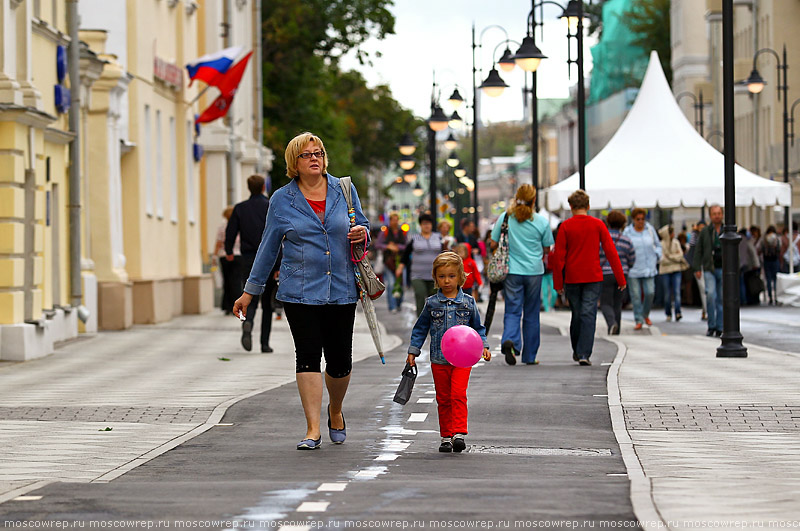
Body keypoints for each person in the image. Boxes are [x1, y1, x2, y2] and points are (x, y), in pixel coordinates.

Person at [233, 132, 370, 450]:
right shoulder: (281, 199)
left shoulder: (344, 190)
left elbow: (362, 229)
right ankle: (312, 428)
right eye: (306, 154)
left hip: (341, 288)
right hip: (298, 291)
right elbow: (267, 249)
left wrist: (362, 233)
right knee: (307, 357)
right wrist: (249, 293)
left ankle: (335, 409)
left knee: (340, 362)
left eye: (319, 152)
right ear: (294, 163)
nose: (314, 158)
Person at [406, 251, 491, 453]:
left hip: (463, 360)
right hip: (439, 359)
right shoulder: (432, 303)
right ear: (435, 277)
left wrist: (484, 345)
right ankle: (446, 436)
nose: (447, 281)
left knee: (458, 394)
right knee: (443, 398)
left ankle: (459, 433)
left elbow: (478, 327)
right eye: (442, 276)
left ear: (460, 276)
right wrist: (413, 351)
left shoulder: (468, 302)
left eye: (451, 276)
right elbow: (420, 328)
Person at [551, 190, 626, 366]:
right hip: (593, 276)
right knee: (588, 313)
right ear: (588, 206)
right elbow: (611, 251)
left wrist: (558, 283)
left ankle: (577, 349)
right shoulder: (598, 224)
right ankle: (584, 352)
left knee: (577, 313)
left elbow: (558, 257)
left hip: (572, 277)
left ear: (570, 207)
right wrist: (620, 278)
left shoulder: (566, 226)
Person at [490, 184, 554, 366]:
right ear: (534, 200)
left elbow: (493, 242)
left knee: (512, 309)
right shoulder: (541, 221)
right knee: (532, 313)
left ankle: (510, 341)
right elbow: (547, 247)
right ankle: (530, 356)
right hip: (534, 271)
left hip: (511, 271)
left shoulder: (506, 217)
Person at [226, 175, 275, 353]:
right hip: (269, 257)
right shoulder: (271, 206)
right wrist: (279, 264)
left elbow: (231, 231)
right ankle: (265, 343)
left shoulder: (240, 208)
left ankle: (247, 323)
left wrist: (229, 250)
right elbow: (279, 234)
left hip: (248, 257)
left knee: (249, 296)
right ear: (263, 187)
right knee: (268, 302)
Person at [623, 208, 662, 330]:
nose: (640, 221)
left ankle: (645, 314)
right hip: (633, 268)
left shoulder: (649, 230)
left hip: (649, 267)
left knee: (650, 292)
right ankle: (638, 319)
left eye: (642, 219)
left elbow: (658, 244)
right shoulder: (627, 232)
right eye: (638, 219)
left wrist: (657, 254)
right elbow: (624, 247)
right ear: (633, 220)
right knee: (636, 295)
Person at [396, 213, 443, 316]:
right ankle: (421, 321)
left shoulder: (438, 237)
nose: (427, 226)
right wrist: (400, 267)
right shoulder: (414, 238)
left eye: (429, 223)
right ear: (420, 225)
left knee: (434, 299)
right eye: (424, 223)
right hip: (417, 274)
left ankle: (434, 321)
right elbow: (406, 253)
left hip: (435, 275)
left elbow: (444, 252)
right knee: (420, 294)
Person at [599, 210, 635, 335]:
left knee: (605, 302)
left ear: (608, 222)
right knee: (617, 302)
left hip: (605, 273)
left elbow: (597, 255)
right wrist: (626, 267)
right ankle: (617, 328)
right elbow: (632, 258)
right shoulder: (626, 240)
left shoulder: (602, 238)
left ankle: (611, 323)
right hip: (622, 273)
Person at [692, 204, 724, 337]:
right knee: (710, 295)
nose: (717, 216)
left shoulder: (727, 230)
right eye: (714, 213)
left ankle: (720, 326)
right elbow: (698, 250)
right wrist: (697, 267)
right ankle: (711, 325)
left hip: (724, 268)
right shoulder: (705, 231)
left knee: (721, 299)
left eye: (719, 213)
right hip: (709, 268)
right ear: (710, 216)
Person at [375, 213, 407, 313]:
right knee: (391, 284)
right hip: (388, 263)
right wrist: (388, 246)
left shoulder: (402, 232)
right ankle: (392, 306)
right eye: (393, 220)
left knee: (401, 284)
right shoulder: (384, 232)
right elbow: (377, 244)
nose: (395, 222)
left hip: (401, 262)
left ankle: (398, 303)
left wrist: (397, 247)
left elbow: (407, 246)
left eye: (396, 220)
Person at [659, 224, 689, 321]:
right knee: (667, 293)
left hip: (676, 270)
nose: (673, 234)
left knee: (677, 292)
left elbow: (680, 256)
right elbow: (662, 260)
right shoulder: (661, 244)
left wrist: (669, 257)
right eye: (671, 233)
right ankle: (668, 313)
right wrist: (674, 257)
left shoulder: (676, 242)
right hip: (665, 271)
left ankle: (678, 312)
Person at [214, 206, 240, 314]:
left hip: (224, 256)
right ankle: (236, 306)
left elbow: (219, 243)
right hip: (238, 255)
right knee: (237, 281)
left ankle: (227, 306)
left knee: (227, 281)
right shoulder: (240, 226)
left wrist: (214, 256)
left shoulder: (222, 227)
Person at [685, 220, 707, 320]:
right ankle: (706, 310)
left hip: (708, 265)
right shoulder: (695, 237)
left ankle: (706, 310)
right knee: (703, 289)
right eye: (700, 227)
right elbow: (692, 249)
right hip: (699, 266)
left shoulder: (708, 236)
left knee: (708, 290)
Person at [757, 225, 781, 305]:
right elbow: (779, 248)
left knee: (768, 279)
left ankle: (770, 297)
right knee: (775, 279)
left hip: (767, 260)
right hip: (775, 260)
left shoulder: (764, 239)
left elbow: (758, 249)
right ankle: (776, 296)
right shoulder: (776, 238)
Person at [739, 228, 761, 306]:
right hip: (747, 264)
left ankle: (743, 299)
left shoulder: (740, 241)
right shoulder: (747, 241)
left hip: (744, 264)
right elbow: (753, 253)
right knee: (745, 283)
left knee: (744, 283)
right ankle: (745, 299)